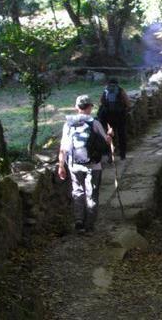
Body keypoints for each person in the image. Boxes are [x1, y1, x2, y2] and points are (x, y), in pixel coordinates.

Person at [58, 94, 112, 234]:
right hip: (94, 165)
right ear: (89, 107)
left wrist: (61, 166)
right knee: (92, 193)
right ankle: (89, 227)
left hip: (74, 164)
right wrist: (110, 135)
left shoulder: (68, 124)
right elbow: (105, 141)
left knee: (77, 191)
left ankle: (79, 221)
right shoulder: (94, 122)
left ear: (76, 107)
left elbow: (63, 148)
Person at [98, 78, 131, 160]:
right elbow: (127, 103)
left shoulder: (106, 91)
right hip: (120, 116)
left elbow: (101, 102)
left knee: (109, 135)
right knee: (121, 135)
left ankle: (110, 155)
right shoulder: (120, 90)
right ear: (117, 83)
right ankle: (122, 154)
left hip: (108, 117)